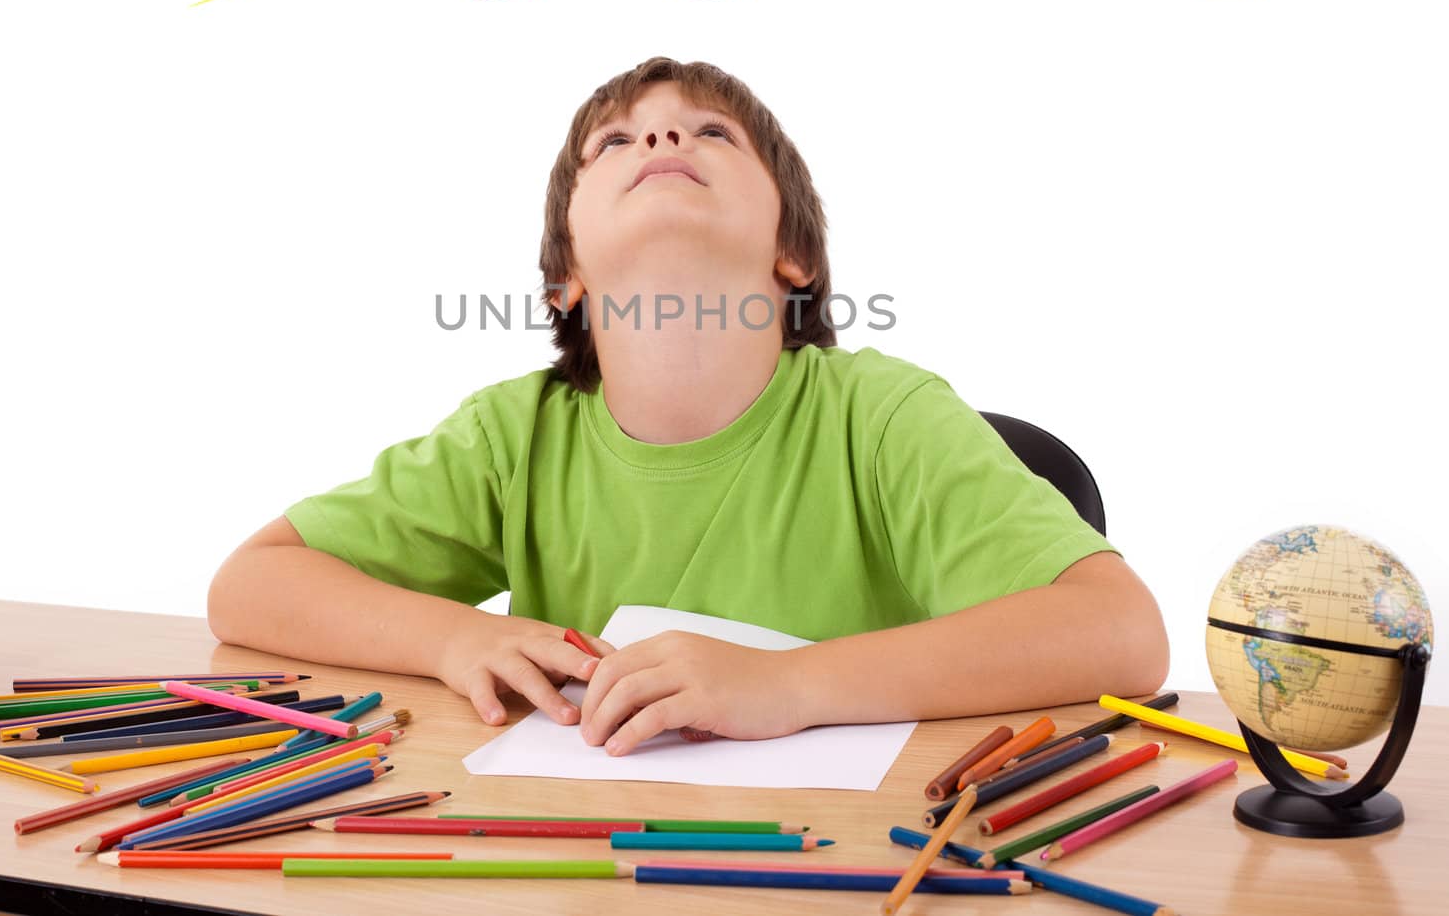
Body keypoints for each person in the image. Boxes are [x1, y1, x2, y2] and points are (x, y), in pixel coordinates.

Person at [208, 57, 1169, 757]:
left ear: (793, 254)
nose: (663, 137)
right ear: (567, 278)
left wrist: (790, 685)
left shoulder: (883, 416)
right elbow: (250, 585)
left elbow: (1123, 635)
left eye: (712, 132)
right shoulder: (514, 435)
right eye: (615, 141)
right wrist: (455, 635)